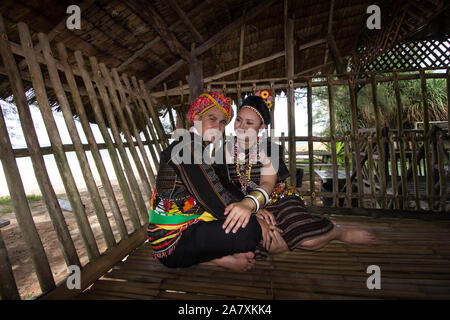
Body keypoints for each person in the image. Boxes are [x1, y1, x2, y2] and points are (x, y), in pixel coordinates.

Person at [217, 90, 378, 258]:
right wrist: (252, 212)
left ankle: (339, 233)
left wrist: (249, 205)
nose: (241, 127)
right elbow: (226, 188)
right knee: (267, 244)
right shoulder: (224, 151)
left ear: (262, 126)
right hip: (247, 206)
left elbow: (267, 184)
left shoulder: (270, 149)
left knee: (308, 241)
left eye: (249, 122)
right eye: (239, 120)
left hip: (279, 199)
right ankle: (297, 237)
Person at [147, 91, 277, 271]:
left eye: (223, 122)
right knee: (250, 230)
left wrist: (251, 206)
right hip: (172, 244)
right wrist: (252, 214)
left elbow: (223, 185)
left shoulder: (198, 148)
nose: (219, 126)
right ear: (197, 118)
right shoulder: (187, 148)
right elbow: (215, 199)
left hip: (192, 225)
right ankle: (219, 258)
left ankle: (219, 257)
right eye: (212, 119)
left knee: (245, 221)